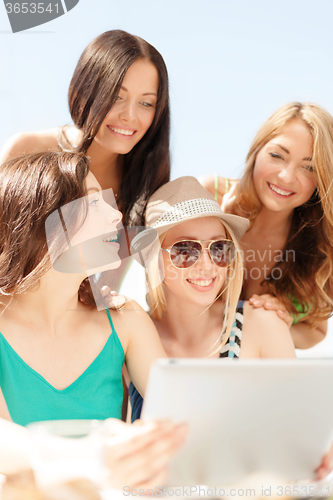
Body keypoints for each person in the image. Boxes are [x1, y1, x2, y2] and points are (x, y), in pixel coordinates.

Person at [0, 151, 187, 489]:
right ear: (42, 215)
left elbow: (184, 421)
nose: (116, 214)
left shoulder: (125, 319)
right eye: (92, 201)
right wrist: (96, 456)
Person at [128, 176, 296, 421]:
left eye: (219, 248)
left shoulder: (262, 324)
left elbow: (300, 430)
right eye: (185, 250)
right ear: (153, 256)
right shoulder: (128, 336)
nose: (207, 266)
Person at [0, 29, 170, 226]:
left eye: (146, 103)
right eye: (116, 97)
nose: (129, 116)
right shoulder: (28, 151)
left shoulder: (147, 179)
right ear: (84, 92)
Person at [199, 102, 333, 349]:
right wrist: (225, 236)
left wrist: (278, 321)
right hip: (188, 357)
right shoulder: (208, 196)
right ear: (256, 151)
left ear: (322, 179)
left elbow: (315, 331)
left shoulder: (320, 244)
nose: (286, 177)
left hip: (256, 372)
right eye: (277, 155)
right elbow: (165, 299)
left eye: (308, 167)